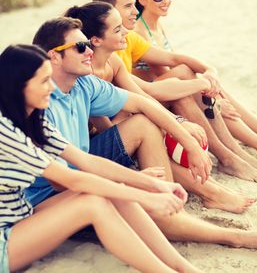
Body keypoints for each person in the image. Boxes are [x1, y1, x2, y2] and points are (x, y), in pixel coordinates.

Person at [29, 16, 257, 250]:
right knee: (125, 197)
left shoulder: (84, 83)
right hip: (48, 196)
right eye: (81, 47)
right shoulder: (38, 104)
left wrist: (189, 143)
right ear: (54, 56)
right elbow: (62, 181)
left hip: (81, 164)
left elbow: (143, 103)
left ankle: (172, 207)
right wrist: (134, 182)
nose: (89, 51)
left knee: (142, 123)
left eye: (88, 45)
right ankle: (233, 236)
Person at [0, 44, 204, 273]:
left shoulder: (32, 118)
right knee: (95, 202)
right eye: (43, 81)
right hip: (6, 240)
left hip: (22, 218)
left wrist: (153, 184)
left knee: (110, 189)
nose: (51, 87)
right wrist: (145, 197)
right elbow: (72, 179)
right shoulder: (6, 132)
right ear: (19, 87)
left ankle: (182, 267)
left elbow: (87, 162)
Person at [64, 0, 256, 214]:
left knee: (161, 119)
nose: (127, 31)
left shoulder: (114, 63)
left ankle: (220, 173)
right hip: (91, 145)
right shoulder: (85, 74)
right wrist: (167, 129)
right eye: (118, 29)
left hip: (121, 126)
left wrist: (178, 124)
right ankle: (210, 192)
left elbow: (144, 97)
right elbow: (109, 131)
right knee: (149, 133)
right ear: (96, 40)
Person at [92, 0, 257, 182]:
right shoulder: (102, 53)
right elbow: (148, 91)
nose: (135, 11)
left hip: (138, 103)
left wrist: (210, 72)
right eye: (129, 5)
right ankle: (234, 155)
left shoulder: (125, 39)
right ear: (108, 11)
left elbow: (173, 60)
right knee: (189, 87)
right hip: (124, 118)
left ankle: (238, 152)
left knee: (192, 80)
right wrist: (201, 88)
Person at [133, 0, 257, 163]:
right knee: (209, 95)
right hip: (152, 96)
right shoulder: (139, 30)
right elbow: (171, 73)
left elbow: (174, 70)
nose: (166, 0)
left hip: (168, 86)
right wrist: (214, 99)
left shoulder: (157, 24)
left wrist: (210, 82)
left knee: (214, 90)